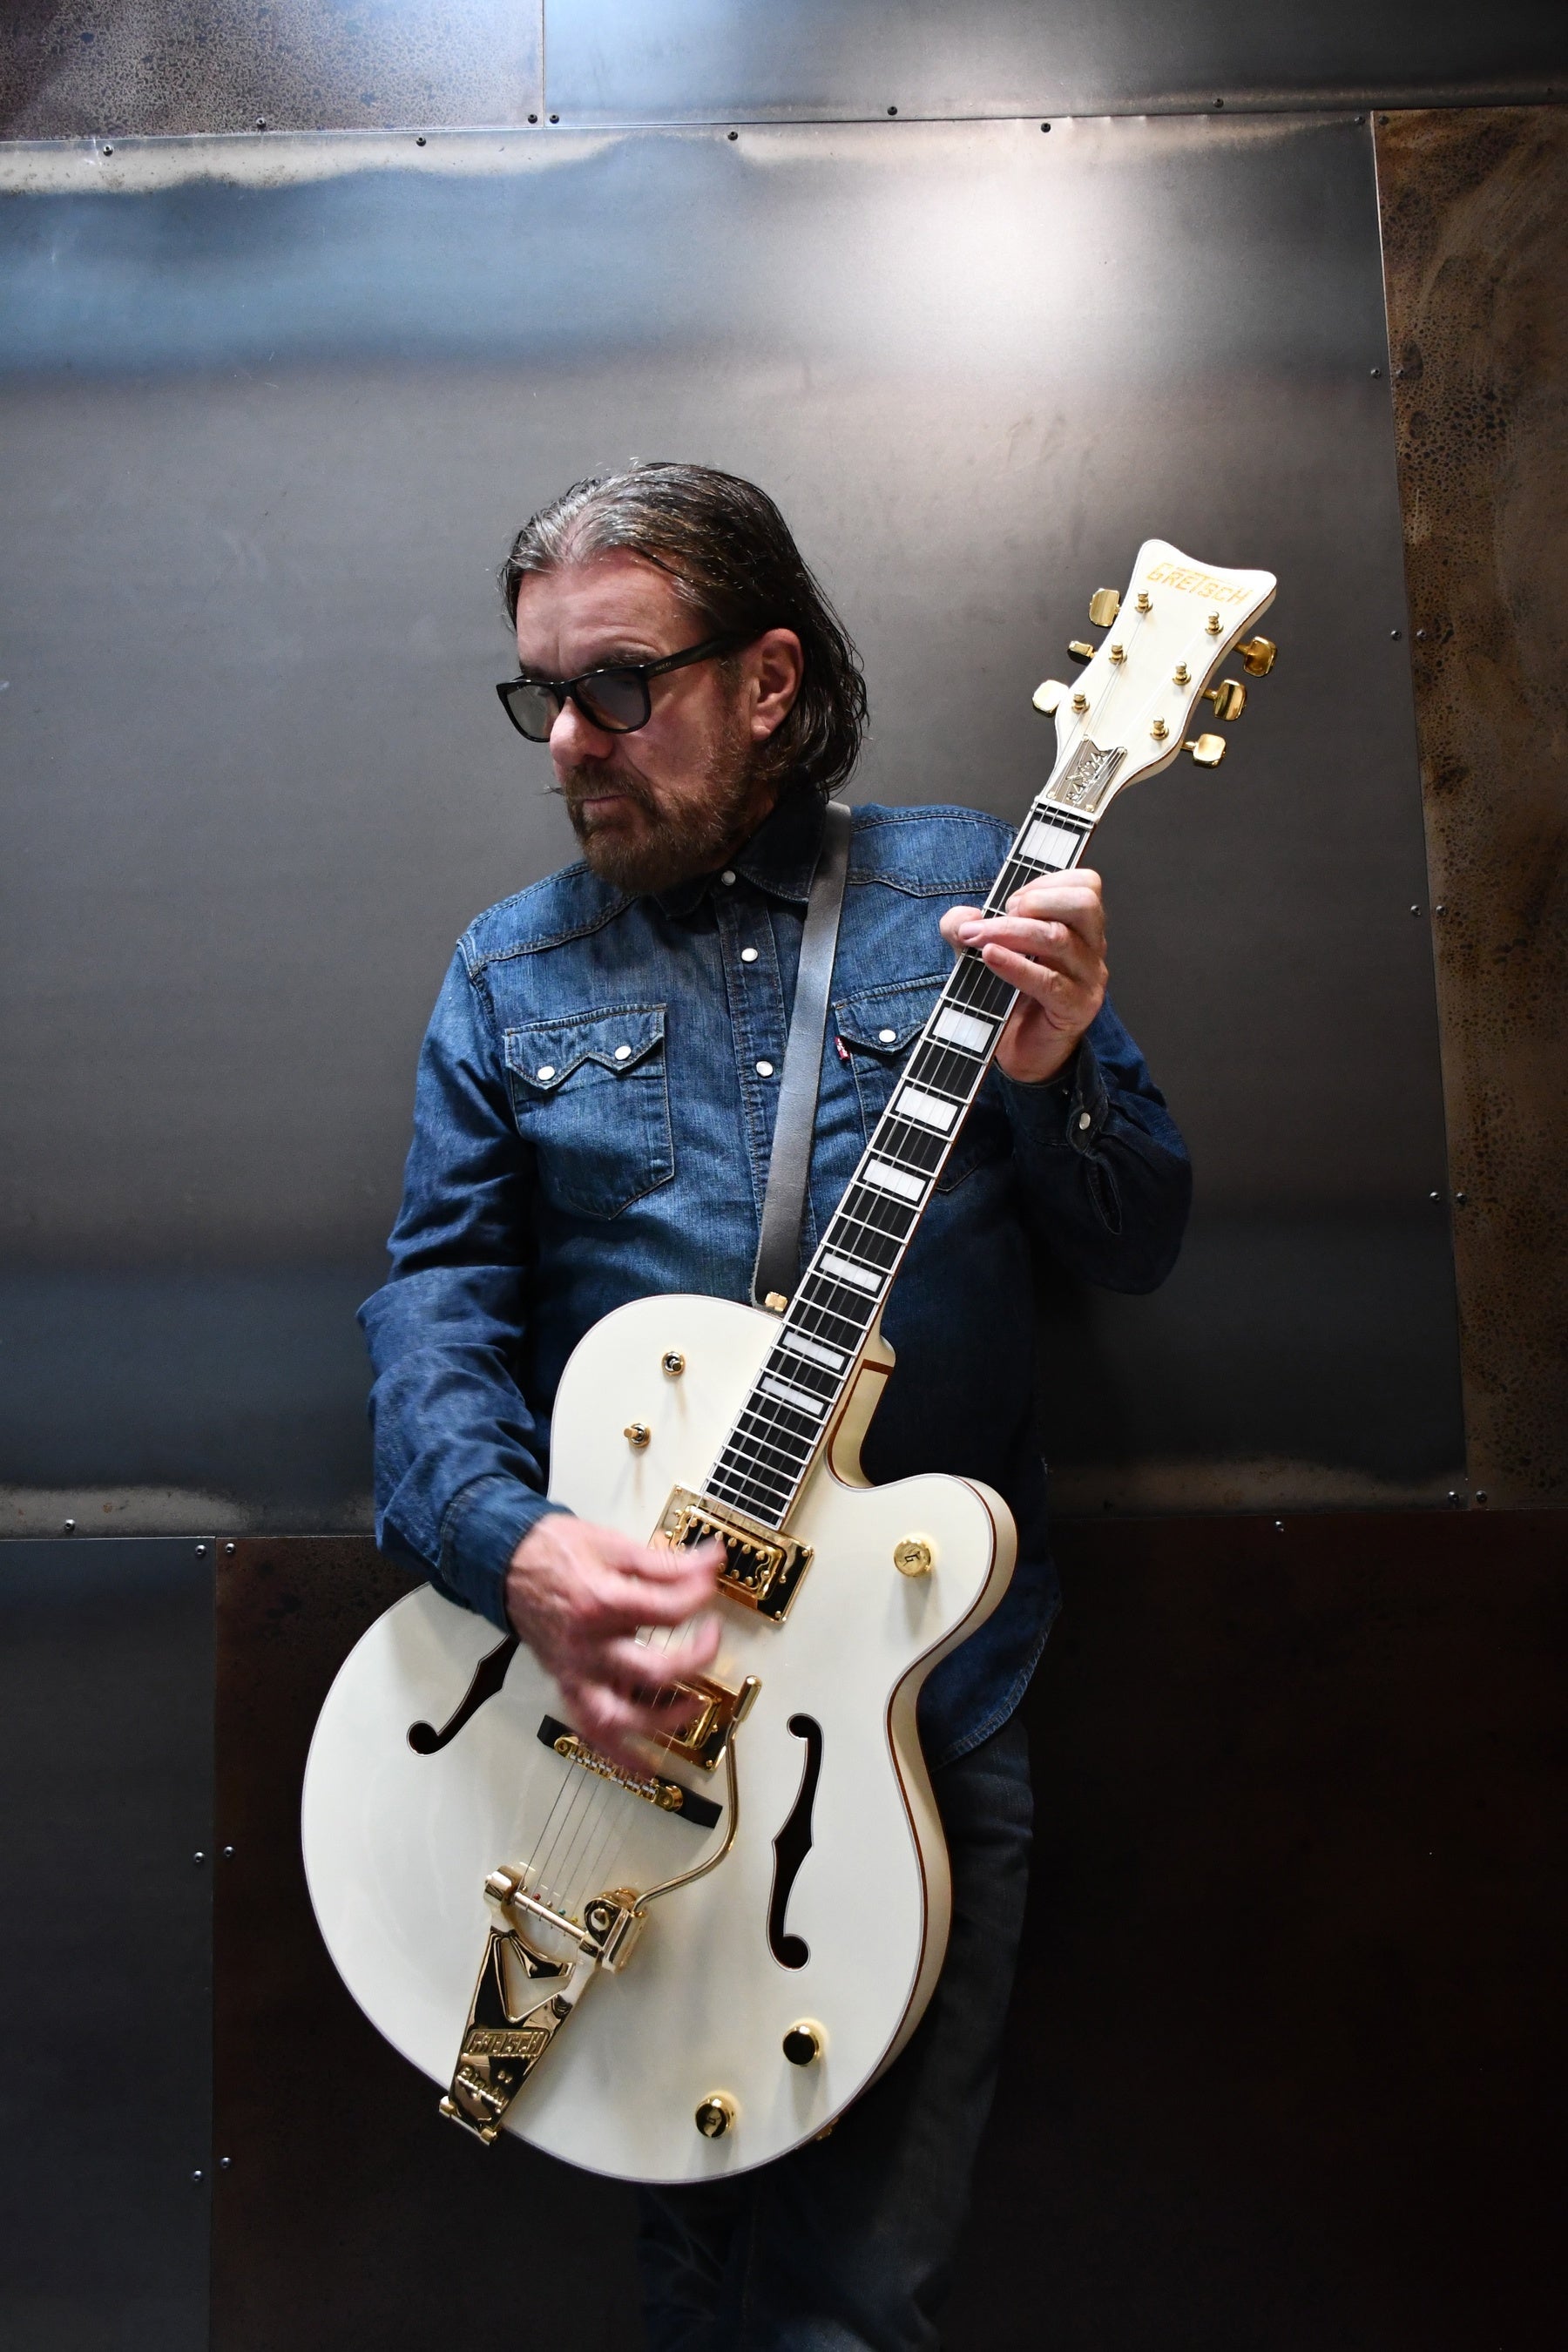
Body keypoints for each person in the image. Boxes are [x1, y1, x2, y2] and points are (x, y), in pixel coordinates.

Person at [362, 461, 1190, 2350]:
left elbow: (1139, 1244)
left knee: (855, 2300)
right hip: (608, 1710)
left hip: (913, 1717)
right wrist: (515, 1552)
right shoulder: (507, 970)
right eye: (543, 694)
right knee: (676, 2276)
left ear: (769, 679)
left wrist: (1063, 1071)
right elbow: (436, 1306)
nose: (568, 740)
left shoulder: (975, 893)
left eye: (617, 685)